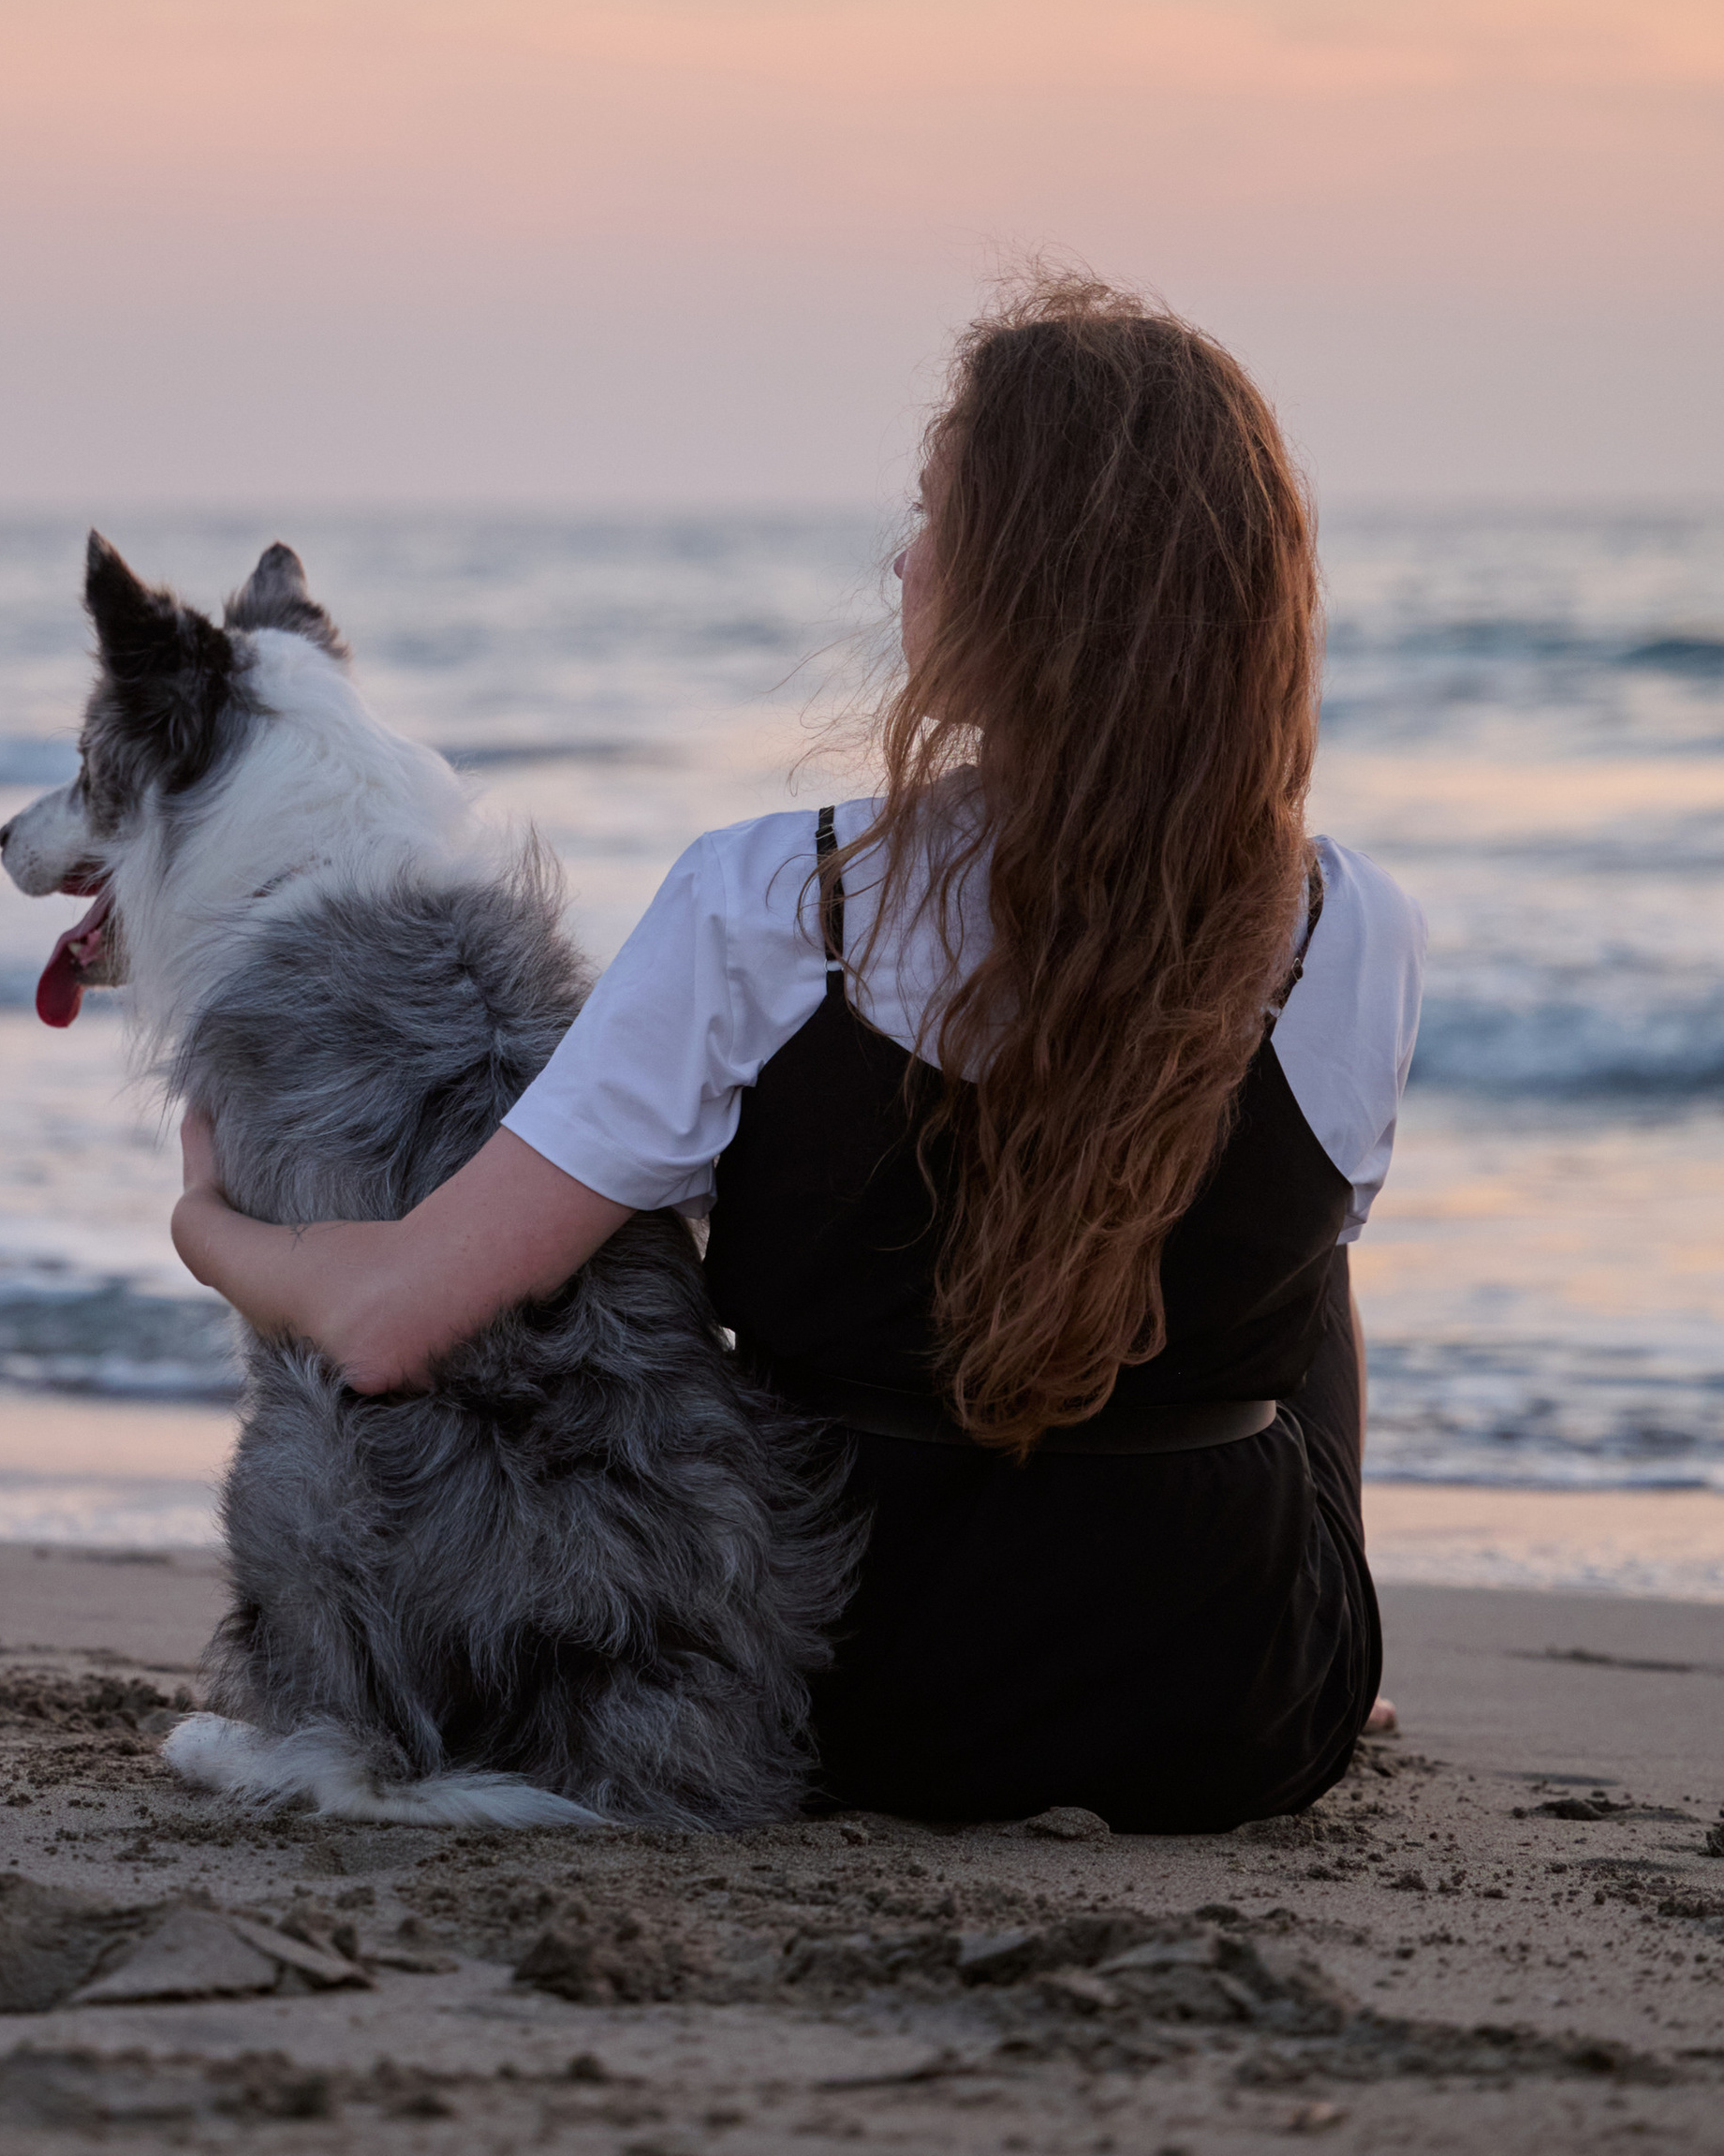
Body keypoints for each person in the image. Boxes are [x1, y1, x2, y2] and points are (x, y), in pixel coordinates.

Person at [172, 273, 1425, 1832]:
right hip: (1235, 1701)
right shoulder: (1354, 922)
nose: (905, 561)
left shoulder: (775, 904)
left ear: (1024, 589)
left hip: (845, 1687)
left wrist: (211, 1232)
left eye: (936, 517)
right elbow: (1308, 1306)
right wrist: (1330, 1618)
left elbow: (386, 1329)